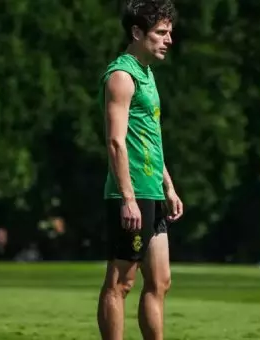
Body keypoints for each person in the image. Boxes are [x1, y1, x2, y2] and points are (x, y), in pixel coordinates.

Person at [96, 1, 183, 339]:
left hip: (153, 191)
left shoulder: (148, 75)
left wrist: (169, 187)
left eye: (169, 32)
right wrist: (128, 198)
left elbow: (152, 138)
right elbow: (116, 142)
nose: (169, 39)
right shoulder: (122, 76)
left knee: (160, 280)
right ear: (136, 32)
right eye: (161, 33)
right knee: (121, 282)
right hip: (130, 194)